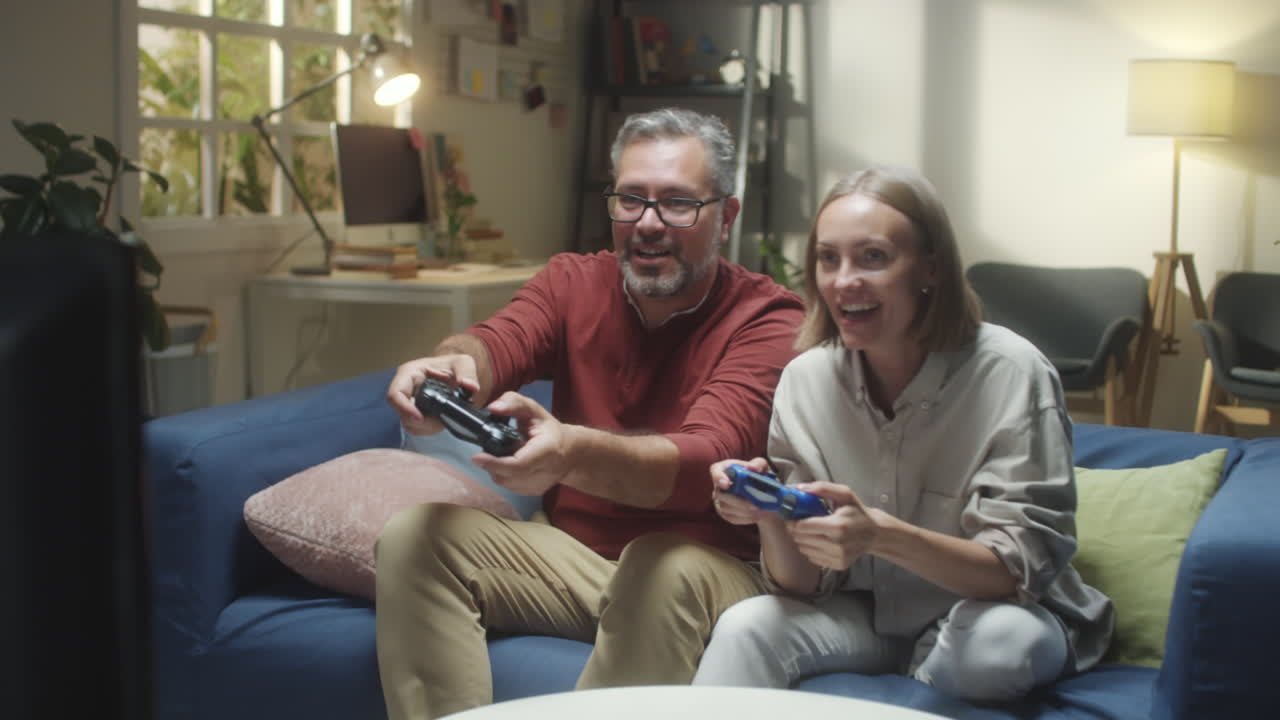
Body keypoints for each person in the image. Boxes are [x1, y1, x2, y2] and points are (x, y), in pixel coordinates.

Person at [373, 107, 804, 720]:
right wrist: (448, 370)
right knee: (415, 539)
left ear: (725, 217)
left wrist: (568, 453)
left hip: (709, 568)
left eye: (677, 204)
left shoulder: (769, 320)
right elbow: (497, 341)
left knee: (663, 566)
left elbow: (702, 462)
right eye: (631, 199)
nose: (647, 224)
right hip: (576, 559)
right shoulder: (573, 281)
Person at [693, 166, 1114, 702]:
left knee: (1000, 646)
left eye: (873, 257)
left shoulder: (1011, 372)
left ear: (930, 268)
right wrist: (771, 513)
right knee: (746, 626)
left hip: (990, 613)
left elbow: (1014, 572)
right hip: (864, 615)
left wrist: (879, 535)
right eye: (828, 258)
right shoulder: (806, 378)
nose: (844, 281)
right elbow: (801, 583)